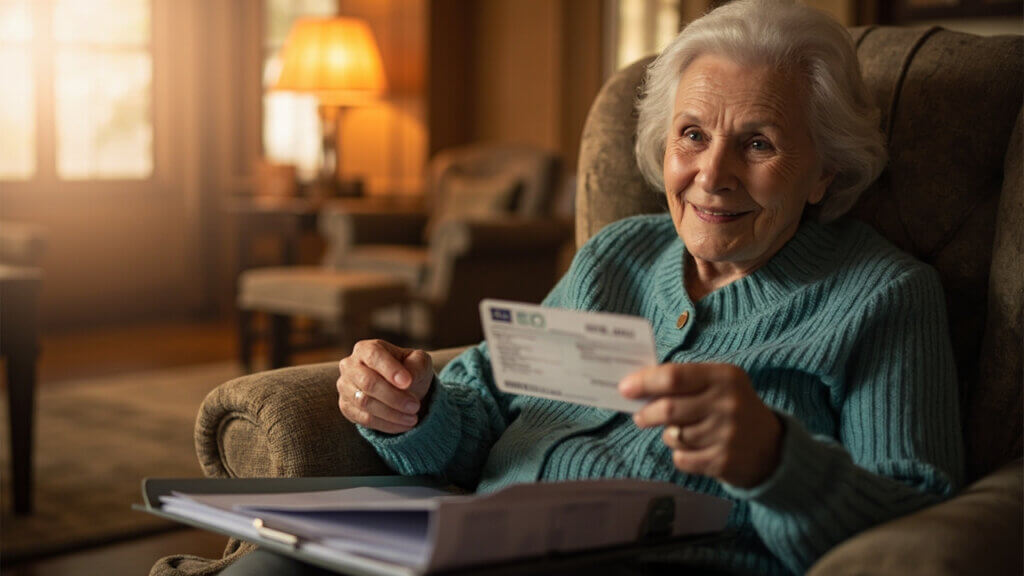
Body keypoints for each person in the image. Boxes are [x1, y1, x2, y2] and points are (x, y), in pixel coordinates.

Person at [226, 1, 964, 574]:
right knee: (271, 559)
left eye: (759, 143)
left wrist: (775, 460)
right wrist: (407, 409)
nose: (712, 174)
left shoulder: (881, 297)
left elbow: (917, 528)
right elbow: (481, 407)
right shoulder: (618, 255)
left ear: (826, 171)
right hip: (466, 546)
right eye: (693, 134)